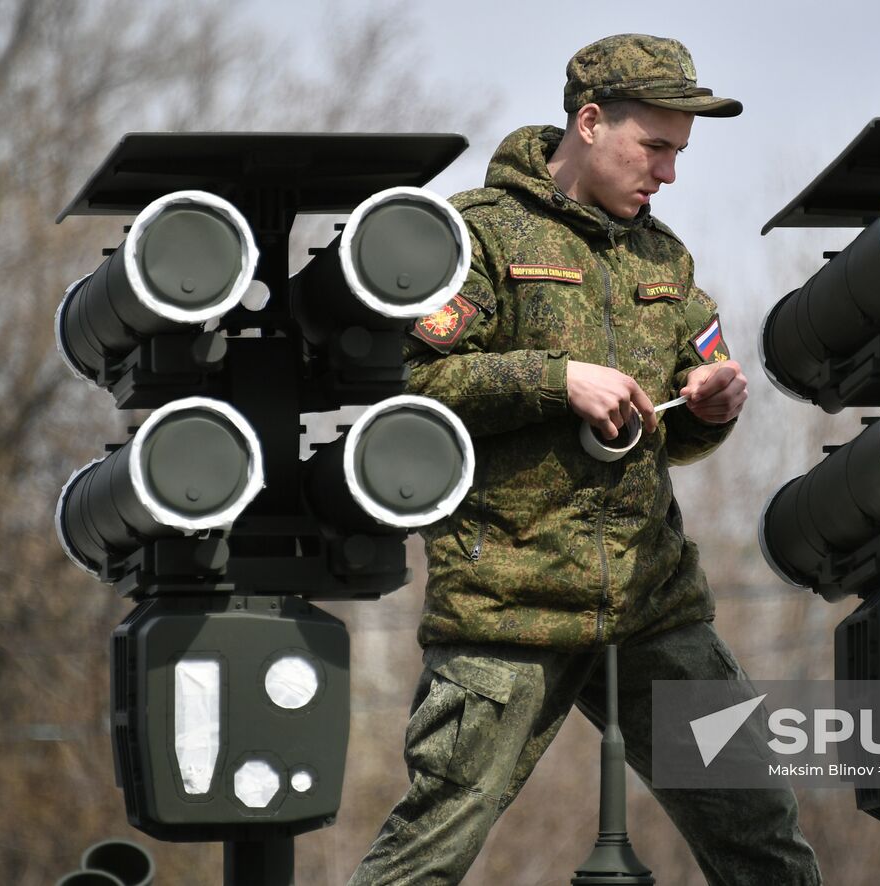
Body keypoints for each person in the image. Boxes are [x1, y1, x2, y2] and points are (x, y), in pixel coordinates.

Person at [349, 34, 821, 886]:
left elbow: (680, 426)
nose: (668, 174)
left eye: (680, 154)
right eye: (655, 147)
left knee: (761, 834)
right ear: (592, 123)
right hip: (509, 605)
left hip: (650, 606)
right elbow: (416, 387)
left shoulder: (665, 258)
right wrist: (555, 379)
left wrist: (711, 407)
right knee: (427, 851)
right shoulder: (478, 235)